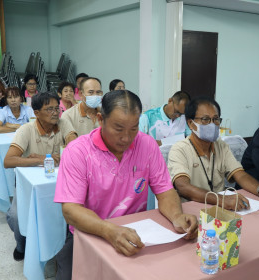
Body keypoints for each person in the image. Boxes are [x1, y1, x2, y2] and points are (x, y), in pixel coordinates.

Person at [54, 90, 198, 279]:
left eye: (133, 129)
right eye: (119, 128)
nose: (126, 138)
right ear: (100, 119)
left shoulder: (147, 145)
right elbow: (71, 209)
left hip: (137, 231)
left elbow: (164, 190)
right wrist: (108, 230)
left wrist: (177, 216)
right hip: (91, 232)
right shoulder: (78, 151)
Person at [168, 97, 259, 212]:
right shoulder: (179, 150)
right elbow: (183, 187)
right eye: (205, 119)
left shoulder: (221, 146)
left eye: (216, 119)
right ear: (191, 123)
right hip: (192, 211)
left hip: (220, 210)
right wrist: (222, 200)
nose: (212, 124)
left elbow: (239, 175)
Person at [3, 92, 77, 261]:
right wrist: (43, 158)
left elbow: (74, 146)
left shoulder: (63, 123)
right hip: (28, 184)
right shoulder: (26, 129)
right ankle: (22, 245)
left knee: (68, 212)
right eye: (49, 109)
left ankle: (62, 248)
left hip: (59, 182)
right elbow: (8, 161)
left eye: (56, 108)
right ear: (36, 113)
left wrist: (65, 150)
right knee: (15, 216)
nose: (54, 113)